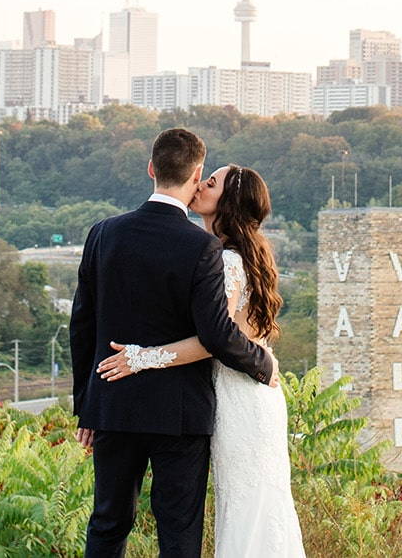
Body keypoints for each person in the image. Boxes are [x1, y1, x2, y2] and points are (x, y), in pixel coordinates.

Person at [70, 128, 279, 558]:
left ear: (151, 168)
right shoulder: (202, 246)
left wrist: (87, 405)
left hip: (113, 404)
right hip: (180, 414)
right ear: (196, 172)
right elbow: (217, 333)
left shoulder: (102, 233)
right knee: (179, 533)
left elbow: (82, 325)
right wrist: (262, 363)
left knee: (108, 522)